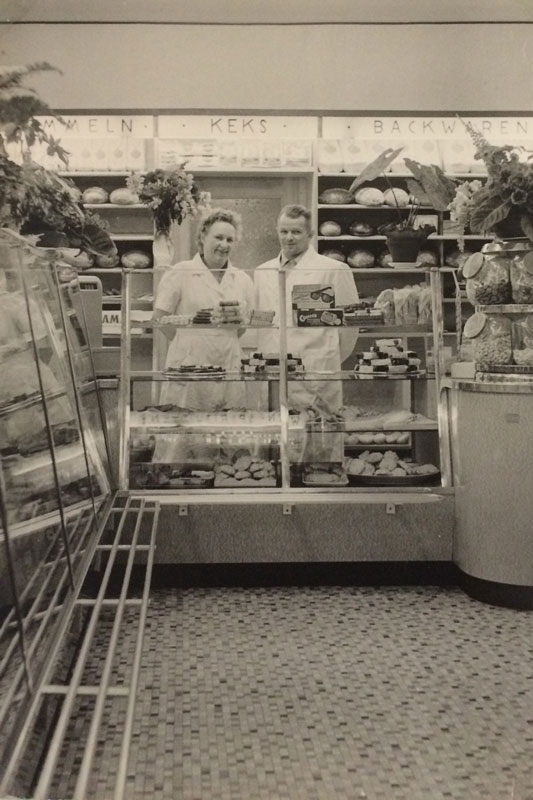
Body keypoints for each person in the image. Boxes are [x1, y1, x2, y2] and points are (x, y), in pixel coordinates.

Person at [254, 204, 359, 416]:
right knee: (275, 431)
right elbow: (260, 323)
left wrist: (324, 358)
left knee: (318, 432)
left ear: (310, 234)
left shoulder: (333, 269)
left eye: (296, 232)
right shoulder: (262, 271)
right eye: (284, 231)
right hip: (273, 372)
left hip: (315, 373)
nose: (289, 238)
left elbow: (350, 328)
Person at [153, 207, 255, 412]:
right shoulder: (180, 272)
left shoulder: (242, 279)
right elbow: (160, 318)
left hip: (229, 363)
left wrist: (220, 337)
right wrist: (188, 342)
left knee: (228, 426)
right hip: (189, 367)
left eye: (230, 240)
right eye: (218, 237)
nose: (224, 245)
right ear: (202, 236)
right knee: (185, 425)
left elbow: (244, 325)